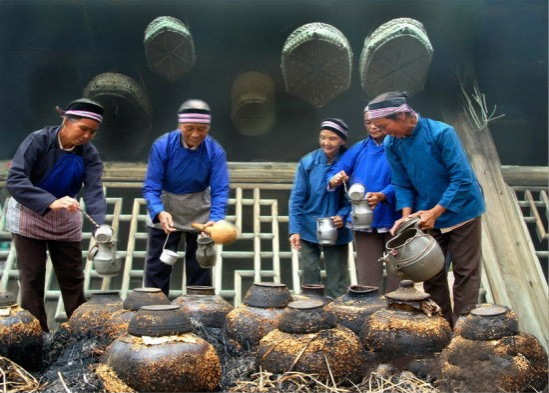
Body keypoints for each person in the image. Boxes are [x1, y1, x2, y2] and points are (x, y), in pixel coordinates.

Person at [365, 91, 486, 327]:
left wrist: (436, 212)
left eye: (384, 125)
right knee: (431, 274)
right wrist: (406, 220)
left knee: (465, 272)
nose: (383, 132)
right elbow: (402, 183)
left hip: (463, 211)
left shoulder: (442, 133)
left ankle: (463, 331)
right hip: (426, 214)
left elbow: (461, 178)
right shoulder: (392, 143)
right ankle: (440, 328)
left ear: (402, 115)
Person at [6, 98, 107, 332]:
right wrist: (50, 201)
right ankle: (36, 335)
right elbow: (15, 180)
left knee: (73, 278)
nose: (87, 136)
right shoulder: (38, 140)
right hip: (30, 214)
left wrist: (100, 228)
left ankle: (80, 333)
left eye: (93, 132)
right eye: (83, 129)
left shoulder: (89, 153)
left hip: (65, 217)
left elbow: (93, 192)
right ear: (66, 121)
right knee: (32, 279)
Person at [143, 99, 229, 296]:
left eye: (202, 128)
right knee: (159, 266)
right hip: (167, 210)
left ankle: (200, 312)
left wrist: (215, 218)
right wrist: (158, 212)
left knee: (201, 265)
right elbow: (151, 187)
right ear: (180, 125)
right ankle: (153, 312)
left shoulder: (215, 151)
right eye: (189, 128)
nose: (196, 134)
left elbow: (220, 189)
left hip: (199, 210)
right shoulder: (162, 145)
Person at [327, 110, 401, 293]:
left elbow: (407, 181)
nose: (373, 126)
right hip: (364, 220)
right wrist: (334, 179)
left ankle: (398, 316)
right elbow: (335, 170)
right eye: (368, 122)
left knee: (398, 273)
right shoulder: (359, 149)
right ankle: (369, 317)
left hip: (395, 218)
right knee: (367, 278)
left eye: (377, 122)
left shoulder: (400, 146)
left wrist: (384, 194)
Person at [289, 118, 353, 298]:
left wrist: (343, 216)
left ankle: (338, 317)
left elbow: (354, 198)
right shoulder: (307, 162)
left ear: (342, 140)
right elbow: (297, 198)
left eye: (332, 138)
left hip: (337, 228)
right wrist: (294, 229)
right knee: (309, 275)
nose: (326, 142)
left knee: (337, 279)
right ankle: (311, 314)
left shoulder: (350, 163)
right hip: (309, 226)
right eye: (323, 137)